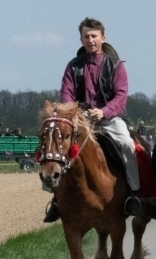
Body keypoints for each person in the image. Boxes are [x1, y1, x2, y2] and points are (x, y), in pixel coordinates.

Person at [43, 17, 141, 223]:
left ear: (103, 38)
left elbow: (121, 96)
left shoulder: (115, 65)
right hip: (79, 119)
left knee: (127, 144)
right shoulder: (73, 66)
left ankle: (133, 194)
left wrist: (103, 111)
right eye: (86, 36)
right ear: (81, 40)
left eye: (94, 36)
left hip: (109, 118)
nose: (90, 40)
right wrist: (74, 112)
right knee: (58, 147)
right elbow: (66, 93)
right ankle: (57, 199)